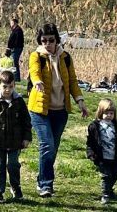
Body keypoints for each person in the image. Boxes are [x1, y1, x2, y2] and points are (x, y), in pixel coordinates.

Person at [28, 22, 89, 198]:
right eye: (44, 40)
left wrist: (80, 101)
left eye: (51, 40)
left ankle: (42, 177)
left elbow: (73, 81)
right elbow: (34, 72)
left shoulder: (66, 57)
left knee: (52, 148)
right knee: (46, 145)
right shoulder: (36, 56)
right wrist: (37, 81)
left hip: (60, 110)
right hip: (39, 110)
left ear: (57, 40)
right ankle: (45, 185)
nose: (47, 43)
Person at [0, 71, 32, 204]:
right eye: (5, 87)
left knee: (13, 165)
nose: (8, 90)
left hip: (15, 141)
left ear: (14, 86)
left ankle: (16, 187)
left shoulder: (19, 101)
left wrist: (26, 137)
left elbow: (26, 121)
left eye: (11, 87)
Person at [86, 98, 117, 205]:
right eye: (106, 113)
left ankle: (110, 190)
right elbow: (90, 142)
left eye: (111, 113)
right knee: (106, 175)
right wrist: (91, 153)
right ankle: (105, 194)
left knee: (115, 174)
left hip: (115, 156)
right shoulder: (94, 126)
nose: (109, 115)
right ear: (100, 112)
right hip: (102, 156)